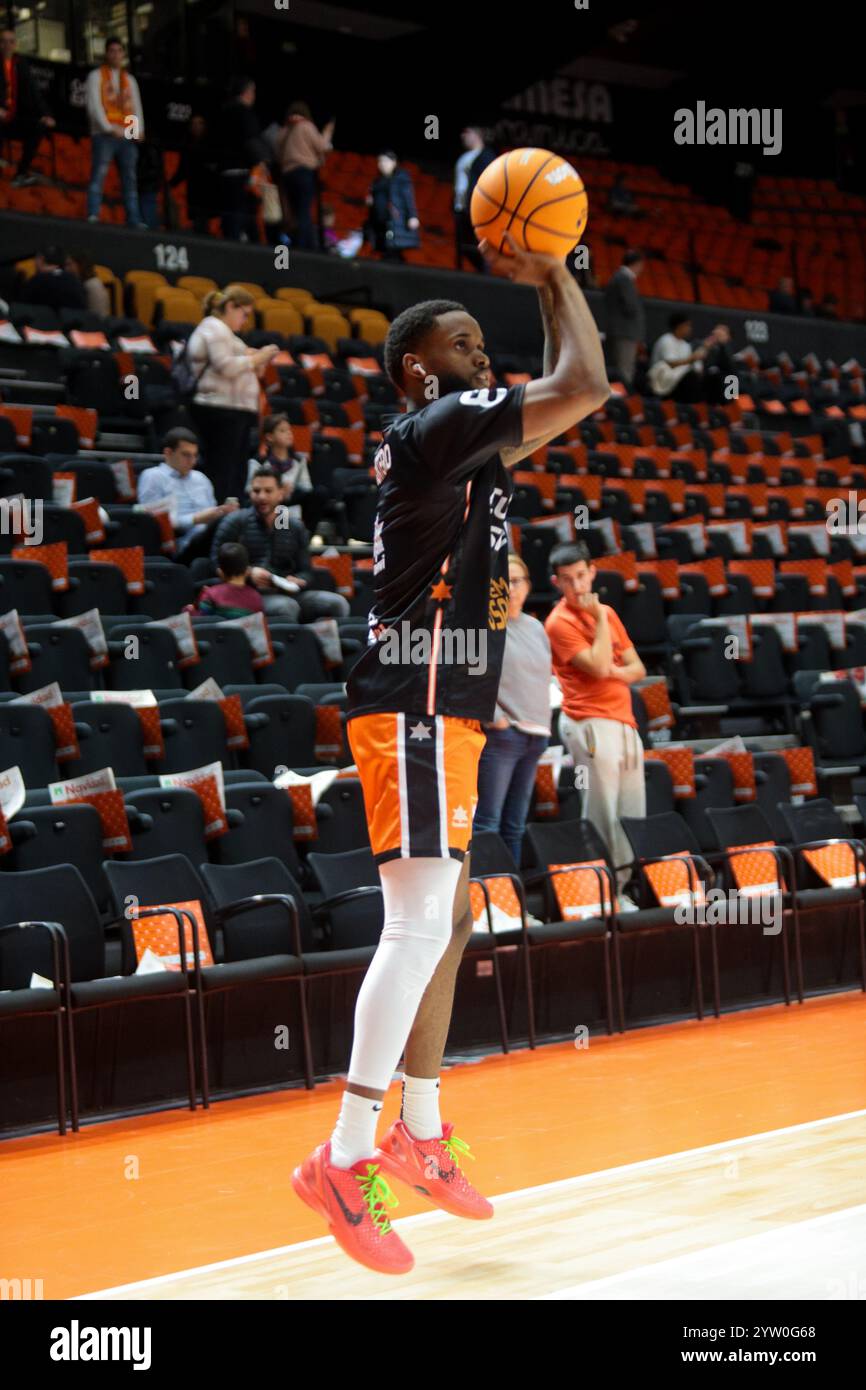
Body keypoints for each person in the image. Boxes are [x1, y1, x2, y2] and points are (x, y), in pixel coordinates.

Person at [291, 230, 609, 1274]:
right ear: (421, 369)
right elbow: (587, 381)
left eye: (484, 341)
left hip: (448, 701)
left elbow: (568, 399)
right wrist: (550, 267)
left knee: (453, 914)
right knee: (420, 918)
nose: (485, 356)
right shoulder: (434, 424)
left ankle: (419, 1130)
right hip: (416, 697)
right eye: (468, 343)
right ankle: (342, 1159)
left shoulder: (458, 452)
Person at [545, 542, 645, 899]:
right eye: (569, 580)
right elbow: (602, 667)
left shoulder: (609, 612)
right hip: (589, 723)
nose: (578, 587)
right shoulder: (559, 622)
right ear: (557, 583)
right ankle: (602, 894)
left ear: (593, 573)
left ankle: (624, 889)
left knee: (631, 814)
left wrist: (612, 670)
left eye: (582, 576)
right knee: (602, 812)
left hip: (624, 720)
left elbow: (639, 669)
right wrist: (600, 620)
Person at [473, 552, 551, 863]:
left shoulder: (536, 627)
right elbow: (469, 674)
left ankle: (512, 904)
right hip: (504, 738)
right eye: (503, 581)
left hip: (536, 737)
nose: (510, 588)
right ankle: (486, 897)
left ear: (528, 586)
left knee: (515, 826)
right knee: (487, 824)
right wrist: (496, 720)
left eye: (516, 581)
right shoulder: (484, 626)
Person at [211, 465, 349, 621]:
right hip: (247, 592)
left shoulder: (294, 526)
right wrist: (248, 572)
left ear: (281, 494)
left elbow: (306, 571)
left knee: (337, 603)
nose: (262, 496)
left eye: (268, 491)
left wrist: (299, 580)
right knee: (286, 606)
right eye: (256, 491)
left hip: (287, 591)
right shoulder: (235, 521)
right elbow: (216, 564)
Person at [186, 285, 279, 501]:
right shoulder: (213, 327)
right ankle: (218, 517)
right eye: (243, 314)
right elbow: (225, 366)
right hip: (219, 409)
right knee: (223, 472)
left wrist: (257, 360)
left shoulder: (228, 335)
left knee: (235, 473)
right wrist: (258, 358)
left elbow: (248, 365)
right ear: (230, 306)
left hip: (235, 410)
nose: (245, 320)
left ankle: (230, 515)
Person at [137, 426, 239, 558]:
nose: (192, 461)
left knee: (239, 521)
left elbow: (212, 514)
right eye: (186, 455)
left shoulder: (201, 479)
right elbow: (152, 522)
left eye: (195, 455)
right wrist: (195, 519)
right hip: (179, 543)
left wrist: (223, 513)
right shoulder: (153, 476)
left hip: (208, 537)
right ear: (168, 453)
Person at [85, 36, 145, 227]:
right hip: (105, 135)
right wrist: (109, 128)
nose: (116, 54)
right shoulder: (96, 76)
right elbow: (94, 107)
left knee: (130, 178)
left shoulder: (129, 80)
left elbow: (135, 107)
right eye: (112, 50)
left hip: (126, 136)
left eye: (119, 50)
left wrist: (137, 131)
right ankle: (93, 213)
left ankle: (133, 218)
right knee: (99, 174)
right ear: (106, 53)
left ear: (123, 54)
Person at [216, 77, 270, 242]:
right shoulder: (245, 113)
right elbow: (250, 141)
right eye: (253, 91)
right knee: (243, 216)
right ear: (247, 92)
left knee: (229, 216)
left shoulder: (222, 111)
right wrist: (262, 163)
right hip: (241, 174)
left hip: (223, 171)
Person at [0, 27, 55, 187]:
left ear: (15, 44)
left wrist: (46, 114)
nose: (7, 45)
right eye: (3, 41)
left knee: (37, 127)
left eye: (11, 41)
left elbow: (34, 91)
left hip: (14, 117)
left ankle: (21, 173)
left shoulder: (21, 63)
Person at [275, 101, 334, 251]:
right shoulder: (306, 126)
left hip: (287, 176)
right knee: (303, 212)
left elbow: (278, 155)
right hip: (303, 173)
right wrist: (328, 133)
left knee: (294, 214)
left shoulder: (284, 130)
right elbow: (322, 146)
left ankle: (302, 246)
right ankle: (304, 250)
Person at [246, 413, 313, 516]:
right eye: (282, 431)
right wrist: (277, 491)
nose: (289, 434)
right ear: (270, 437)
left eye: (289, 430)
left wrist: (290, 491)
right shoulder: (258, 462)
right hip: (267, 506)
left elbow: (307, 488)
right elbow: (249, 489)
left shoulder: (299, 461)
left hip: (292, 506)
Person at [648, 315, 727, 402]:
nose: (690, 328)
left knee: (712, 378)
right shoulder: (666, 340)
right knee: (691, 379)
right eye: (687, 326)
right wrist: (692, 359)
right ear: (679, 326)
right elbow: (671, 363)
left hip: (681, 380)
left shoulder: (685, 345)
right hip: (663, 380)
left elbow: (695, 366)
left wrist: (705, 349)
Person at [453, 125, 495, 271]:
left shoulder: (486, 156)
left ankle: (484, 274)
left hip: (477, 208)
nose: (463, 136)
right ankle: (478, 272)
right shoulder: (464, 157)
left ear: (477, 135)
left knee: (478, 245)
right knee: (462, 245)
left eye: (467, 133)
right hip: (461, 207)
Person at [366, 151, 420, 262]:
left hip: (396, 221)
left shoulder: (402, 177)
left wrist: (412, 216)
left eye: (385, 160)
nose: (382, 164)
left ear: (394, 162)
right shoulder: (376, 182)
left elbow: (408, 197)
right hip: (380, 222)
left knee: (393, 250)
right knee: (385, 249)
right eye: (380, 161)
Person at [603, 249, 645, 390]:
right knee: (624, 371)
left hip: (619, 331)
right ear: (637, 264)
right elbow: (630, 306)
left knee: (619, 369)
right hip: (624, 333)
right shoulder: (623, 279)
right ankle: (622, 401)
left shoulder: (618, 277)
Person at [169, 114, 218, 235]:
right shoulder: (186, 144)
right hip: (194, 192)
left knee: (205, 222)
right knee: (198, 222)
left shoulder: (212, 145)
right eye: (193, 124)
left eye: (200, 123)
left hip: (209, 191)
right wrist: (169, 184)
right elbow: (183, 170)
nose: (196, 127)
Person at [197, 543, 264, 617]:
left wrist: (189, 610)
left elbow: (202, 622)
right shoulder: (256, 597)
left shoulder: (210, 594)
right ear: (248, 571)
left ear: (220, 573)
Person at [20, 245, 85, 311]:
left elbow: (22, 308)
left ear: (41, 259)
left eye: (35, 259)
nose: (34, 262)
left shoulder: (36, 281)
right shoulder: (74, 279)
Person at [66, 252, 110, 318]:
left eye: (69, 264)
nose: (66, 268)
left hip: (93, 324)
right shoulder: (91, 282)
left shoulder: (90, 285)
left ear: (80, 265)